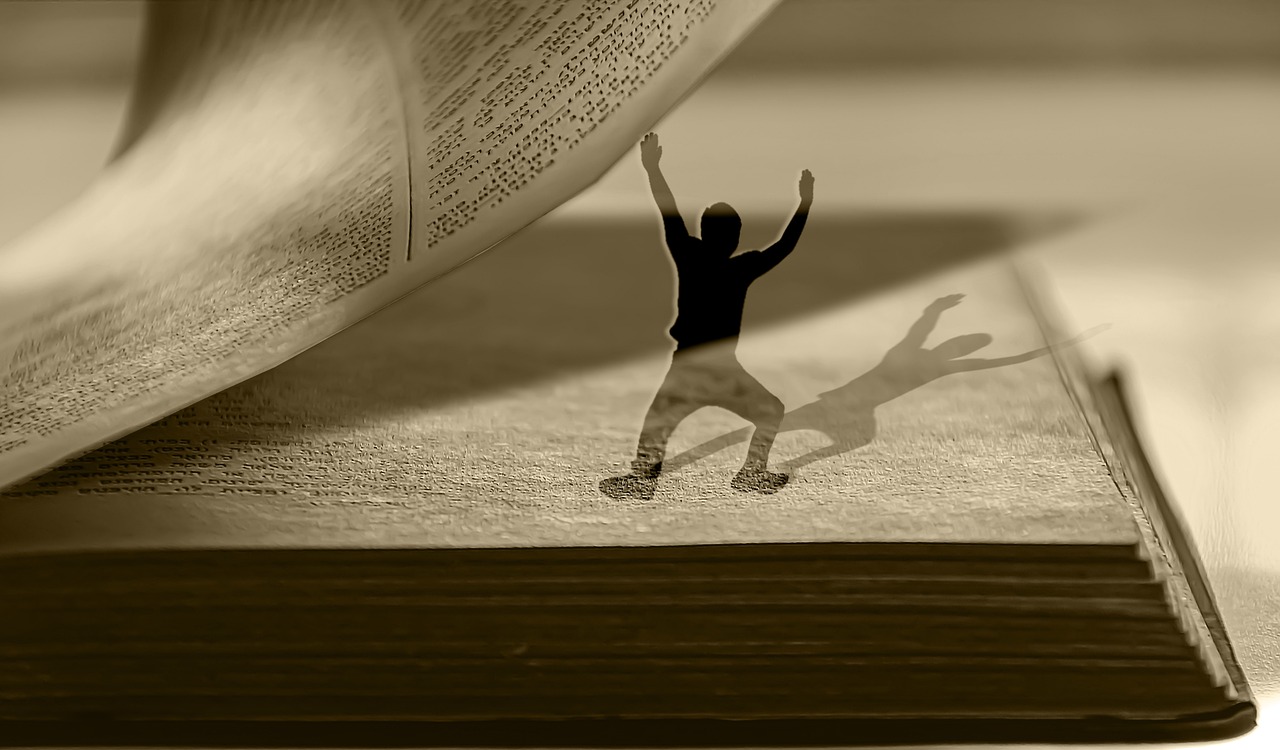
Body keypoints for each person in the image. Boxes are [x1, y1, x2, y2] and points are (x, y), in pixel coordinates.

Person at [600, 132, 814, 501]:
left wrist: (653, 168)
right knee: (770, 411)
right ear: (735, 238)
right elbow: (784, 246)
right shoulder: (740, 268)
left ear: (704, 232)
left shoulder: (691, 255)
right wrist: (804, 204)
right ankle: (751, 472)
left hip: (690, 365)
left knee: (658, 424)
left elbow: (668, 212)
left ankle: (642, 480)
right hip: (720, 368)